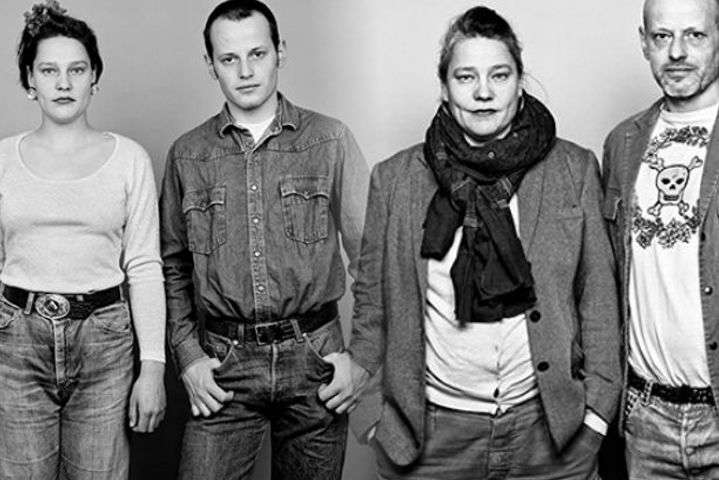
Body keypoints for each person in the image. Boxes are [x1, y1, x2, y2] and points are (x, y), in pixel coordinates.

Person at [320, 6, 621, 479]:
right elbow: (372, 303)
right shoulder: (395, 180)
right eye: (466, 77)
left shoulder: (574, 169)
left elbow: (598, 296)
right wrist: (375, 417)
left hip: (550, 434)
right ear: (444, 86)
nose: (483, 92)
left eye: (499, 75)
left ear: (519, 81)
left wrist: (597, 415)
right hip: (430, 438)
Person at [159, 0, 369, 478]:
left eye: (257, 54)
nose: (245, 71)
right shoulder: (187, 155)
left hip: (316, 358)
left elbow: (371, 258)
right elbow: (172, 266)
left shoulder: (329, 140)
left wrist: (361, 359)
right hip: (223, 362)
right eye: (229, 59)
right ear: (210, 65)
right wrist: (188, 357)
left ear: (281, 52)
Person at [0, 1, 167, 478]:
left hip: (105, 341)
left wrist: (153, 367)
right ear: (29, 81)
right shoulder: (3, 160)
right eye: (48, 70)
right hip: (16, 342)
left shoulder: (130, 159)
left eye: (76, 69)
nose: (63, 83)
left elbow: (144, 266)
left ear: (95, 77)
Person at [602, 0, 719, 477]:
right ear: (644, 42)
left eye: (695, 35)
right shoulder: (622, 144)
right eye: (662, 36)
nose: (677, 52)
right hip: (645, 419)